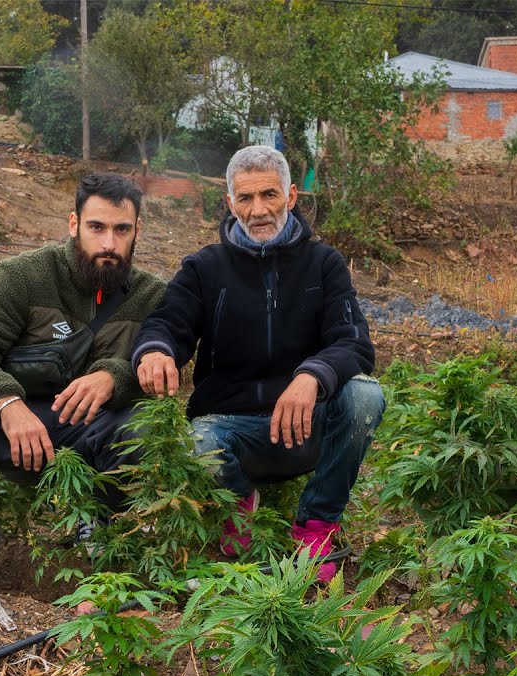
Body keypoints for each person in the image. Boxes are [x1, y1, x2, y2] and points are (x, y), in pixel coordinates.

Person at [132, 146, 384, 583]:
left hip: (307, 428)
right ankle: (238, 512)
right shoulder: (203, 268)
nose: (258, 209)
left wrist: (311, 376)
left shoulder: (323, 264)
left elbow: (353, 342)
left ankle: (317, 526)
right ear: (230, 204)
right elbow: (166, 324)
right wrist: (155, 350)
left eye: (269, 194)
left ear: (291, 197)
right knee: (197, 439)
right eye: (245, 199)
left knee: (365, 395)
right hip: (233, 433)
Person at [0, 172, 166, 587]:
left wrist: (113, 376)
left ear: (137, 232)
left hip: (94, 430)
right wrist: (6, 402)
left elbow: (168, 364)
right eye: (96, 227)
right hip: (18, 428)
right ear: (74, 224)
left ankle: (102, 529)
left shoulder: (151, 295)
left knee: (144, 425)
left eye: (121, 230)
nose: (109, 244)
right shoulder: (25, 276)